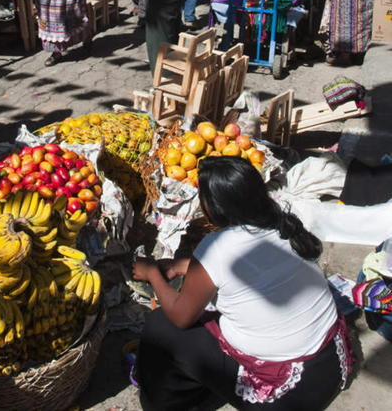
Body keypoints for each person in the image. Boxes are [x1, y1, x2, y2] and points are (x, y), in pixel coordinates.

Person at [134, 156, 353, 411]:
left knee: (160, 325)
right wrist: (181, 266)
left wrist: (153, 275)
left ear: (213, 206)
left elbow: (181, 317)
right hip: (330, 368)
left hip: (287, 396)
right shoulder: (280, 223)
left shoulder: (216, 247)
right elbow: (253, 268)